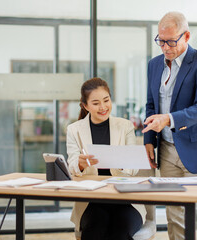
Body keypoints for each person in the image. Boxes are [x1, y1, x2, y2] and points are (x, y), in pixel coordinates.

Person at [142, 12, 197, 240]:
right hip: (167, 151)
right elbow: (151, 104)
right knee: (175, 218)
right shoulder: (154, 65)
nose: (165, 47)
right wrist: (149, 141)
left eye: (171, 41)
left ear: (186, 36)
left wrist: (168, 119)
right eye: (160, 40)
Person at [66, 77, 146, 240]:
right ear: (85, 105)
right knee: (94, 231)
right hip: (91, 202)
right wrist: (80, 165)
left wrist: (121, 161)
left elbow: (133, 169)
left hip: (125, 200)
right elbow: (72, 166)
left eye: (106, 100)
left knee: (120, 233)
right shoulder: (74, 130)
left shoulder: (126, 126)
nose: (103, 107)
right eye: (96, 103)